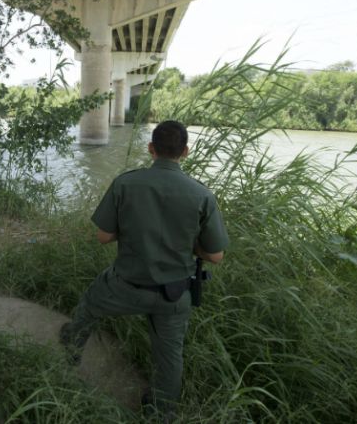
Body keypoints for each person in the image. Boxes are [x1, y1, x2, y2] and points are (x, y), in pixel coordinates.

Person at [59, 120, 229, 420]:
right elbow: (215, 255)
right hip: (175, 295)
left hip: (125, 286)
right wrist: (191, 248)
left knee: (89, 305)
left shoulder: (126, 183)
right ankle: (161, 412)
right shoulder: (202, 195)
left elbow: (103, 237)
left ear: (151, 149)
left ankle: (70, 350)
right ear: (185, 151)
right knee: (169, 357)